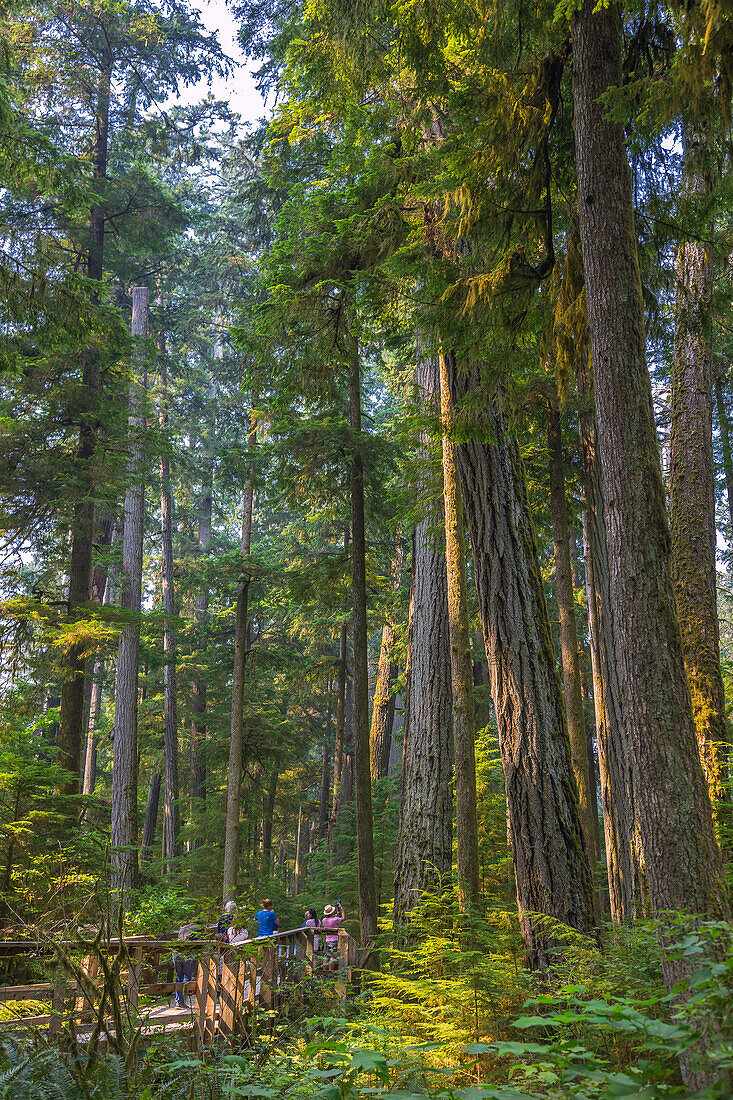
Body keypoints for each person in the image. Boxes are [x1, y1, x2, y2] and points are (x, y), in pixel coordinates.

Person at [173, 916, 204, 1009]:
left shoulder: (183, 928)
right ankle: (182, 1002)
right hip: (188, 954)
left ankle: (178, 1001)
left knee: (179, 977)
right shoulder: (199, 928)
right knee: (187, 976)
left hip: (176, 952)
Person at [321, 901, 344, 971]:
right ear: (331, 913)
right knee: (333, 956)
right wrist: (341, 909)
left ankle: (324, 971)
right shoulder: (335, 920)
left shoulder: (324, 920)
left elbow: (331, 921)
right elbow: (343, 918)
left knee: (327, 956)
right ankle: (331, 971)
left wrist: (335, 916)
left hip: (327, 940)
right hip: (334, 940)